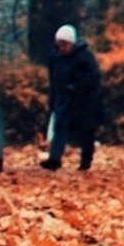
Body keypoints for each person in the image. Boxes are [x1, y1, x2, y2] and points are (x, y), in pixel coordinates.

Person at [42, 24, 104, 171]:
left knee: (86, 131)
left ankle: (85, 161)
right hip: (64, 97)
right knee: (60, 127)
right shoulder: (55, 57)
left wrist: (77, 87)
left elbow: (93, 76)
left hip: (84, 99)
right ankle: (54, 159)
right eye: (60, 45)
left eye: (65, 44)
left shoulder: (84, 56)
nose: (63, 48)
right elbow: (53, 80)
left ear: (72, 43)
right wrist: (53, 99)